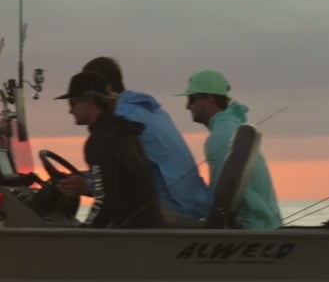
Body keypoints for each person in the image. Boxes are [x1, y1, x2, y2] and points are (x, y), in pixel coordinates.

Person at [81, 56, 213, 224]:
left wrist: (87, 185)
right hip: (194, 206)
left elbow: (119, 179)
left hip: (175, 210)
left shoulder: (124, 121)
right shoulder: (152, 110)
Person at [55, 71, 166, 228]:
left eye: (72, 103)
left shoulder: (99, 142)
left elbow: (105, 201)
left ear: (90, 101)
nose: (70, 111)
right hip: (150, 229)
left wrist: (82, 233)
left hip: (129, 237)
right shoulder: (125, 132)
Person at [179, 69, 282, 230]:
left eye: (192, 99)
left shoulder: (221, 135)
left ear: (208, 99)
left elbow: (224, 195)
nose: (187, 106)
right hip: (265, 226)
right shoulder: (232, 126)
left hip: (250, 228)